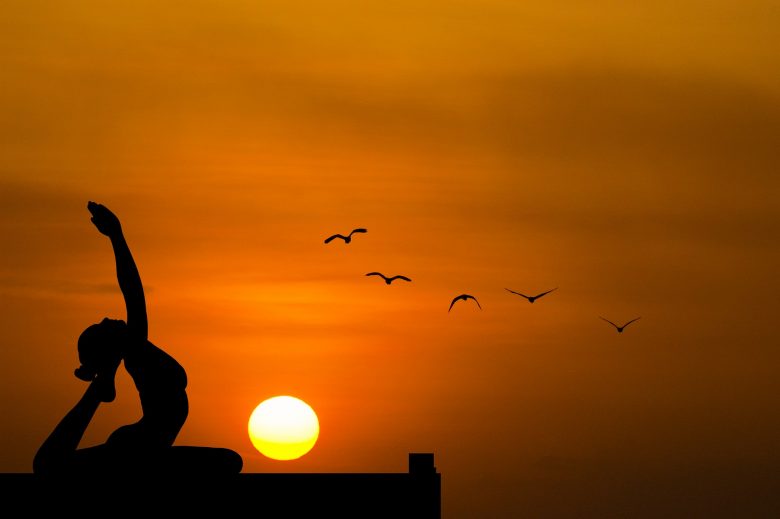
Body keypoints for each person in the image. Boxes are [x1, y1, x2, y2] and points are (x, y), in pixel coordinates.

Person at [33, 201, 242, 476]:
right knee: (48, 466)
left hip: (139, 445)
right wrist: (117, 237)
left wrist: (117, 236)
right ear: (109, 347)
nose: (107, 318)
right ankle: (100, 389)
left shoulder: (137, 353)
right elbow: (133, 292)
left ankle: (101, 389)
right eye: (101, 326)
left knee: (231, 460)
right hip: (138, 449)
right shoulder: (136, 353)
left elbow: (133, 295)